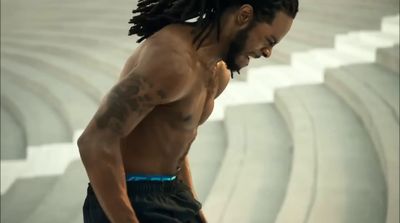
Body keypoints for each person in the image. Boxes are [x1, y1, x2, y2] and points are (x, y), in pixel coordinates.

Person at [77, 0, 298, 222]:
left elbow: (174, 146)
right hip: (128, 197)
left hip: (170, 193)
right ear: (244, 15)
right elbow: (95, 141)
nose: (268, 52)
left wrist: (194, 210)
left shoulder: (217, 74)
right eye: (269, 41)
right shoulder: (173, 59)